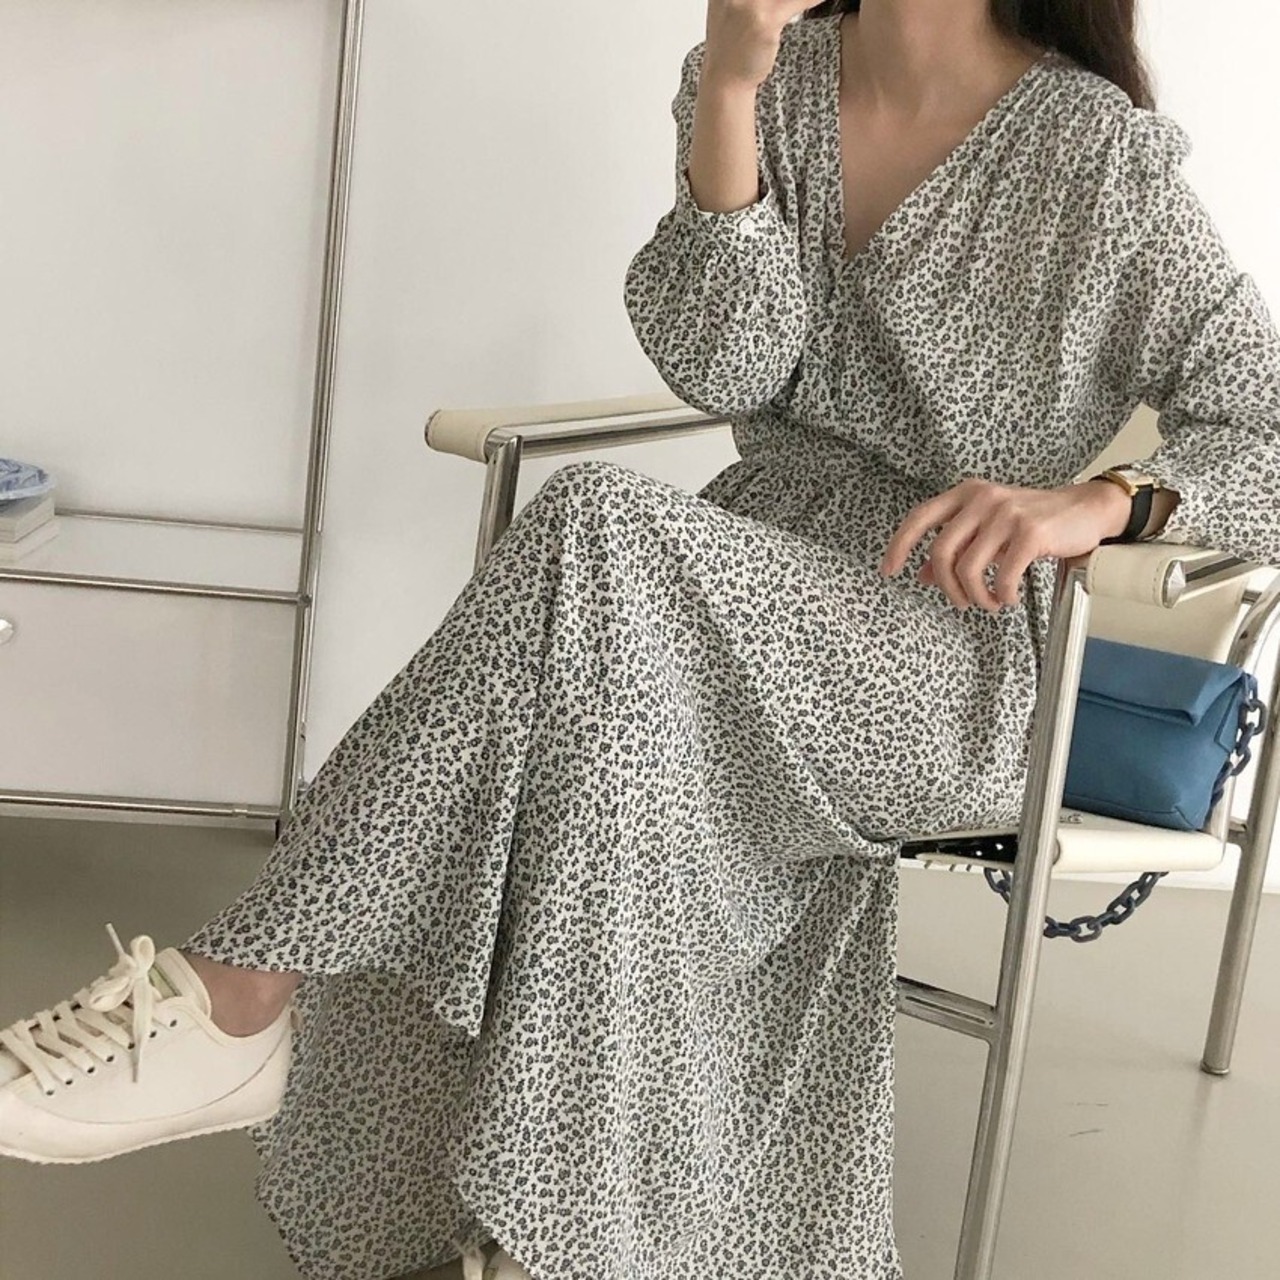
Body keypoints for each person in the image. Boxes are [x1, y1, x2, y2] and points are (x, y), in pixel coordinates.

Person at [3, 2, 1278, 1278]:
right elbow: (725, 366)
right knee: (608, 682)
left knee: (601, 530)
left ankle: (240, 987)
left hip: (942, 648)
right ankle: (545, 1234)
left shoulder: (1091, 153)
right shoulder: (771, 79)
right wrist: (729, 86)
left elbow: (1260, 420)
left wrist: (1101, 501)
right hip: (724, 594)